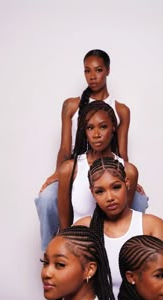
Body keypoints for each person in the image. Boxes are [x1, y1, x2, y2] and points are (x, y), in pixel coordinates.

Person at [35, 49, 148, 251]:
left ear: (108, 71)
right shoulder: (71, 105)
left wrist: (129, 176)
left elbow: (122, 151)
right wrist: (58, 174)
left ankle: (129, 250)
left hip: (109, 168)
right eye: (87, 71)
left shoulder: (121, 110)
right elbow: (64, 148)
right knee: (46, 199)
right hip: (77, 166)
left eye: (98, 70)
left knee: (139, 200)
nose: (92, 76)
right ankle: (50, 252)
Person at [74, 156, 163, 299]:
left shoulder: (152, 226)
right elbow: (72, 283)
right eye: (100, 191)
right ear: (92, 192)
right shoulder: (83, 228)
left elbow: (160, 282)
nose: (110, 197)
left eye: (116, 187)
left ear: (127, 183)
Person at [58, 100, 140, 233]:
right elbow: (64, 227)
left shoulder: (128, 171)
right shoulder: (69, 169)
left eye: (103, 127)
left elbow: (124, 222)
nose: (96, 135)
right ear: (84, 131)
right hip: (79, 246)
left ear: (113, 127)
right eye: (90, 128)